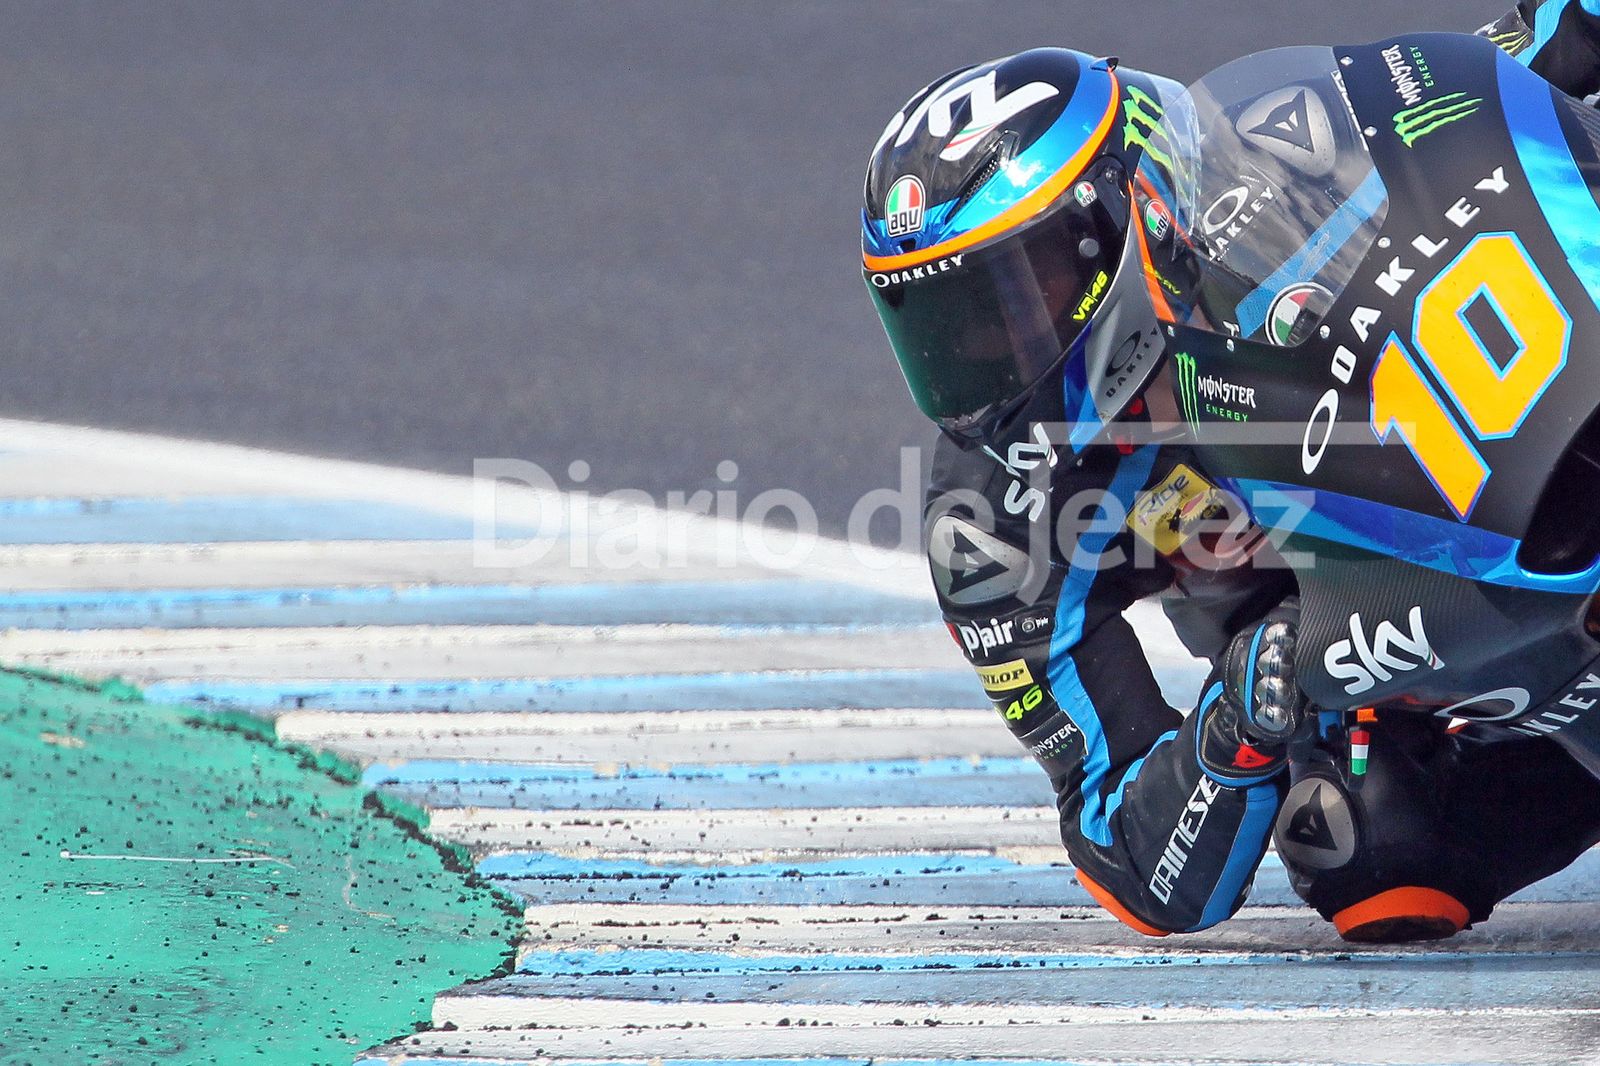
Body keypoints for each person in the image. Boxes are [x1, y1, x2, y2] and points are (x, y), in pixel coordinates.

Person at [861, 4, 1600, 943]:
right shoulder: (991, 521)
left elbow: (1535, 40)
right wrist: (1237, 721)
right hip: (1362, 647)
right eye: (947, 329)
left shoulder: (1292, 146)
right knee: (1365, 849)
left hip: (1521, 425)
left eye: (1014, 294)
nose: (986, 355)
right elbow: (1127, 853)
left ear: (1126, 216)